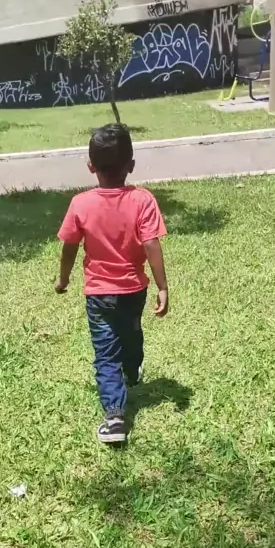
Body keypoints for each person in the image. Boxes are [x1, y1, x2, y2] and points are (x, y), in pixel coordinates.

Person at [55, 123, 168, 444]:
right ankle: (132, 371)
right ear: (131, 165)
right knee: (131, 333)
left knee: (106, 353)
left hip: (99, 294)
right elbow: (151, 244)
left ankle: (115, 418)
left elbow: (69, 247)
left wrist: (63, 278)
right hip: (134, 290)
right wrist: (162, 286)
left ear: (90, 166)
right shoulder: (143, 200)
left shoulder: (80, 203)